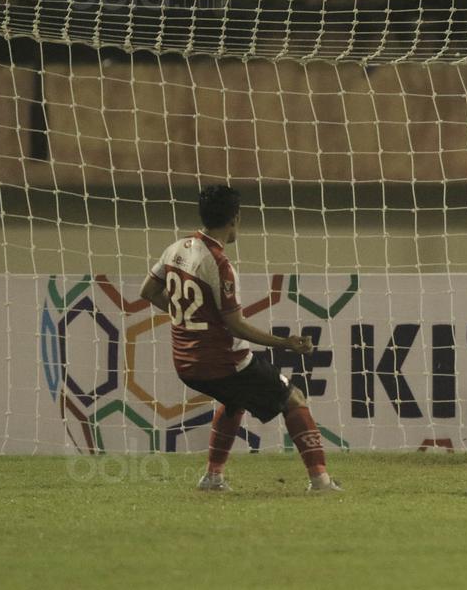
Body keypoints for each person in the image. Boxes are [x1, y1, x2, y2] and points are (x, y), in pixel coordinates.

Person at [139, 185, 341, 491]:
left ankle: (212, 477)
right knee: (293, 399)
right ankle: (321, 480)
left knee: (234, 400)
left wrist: (187, 317)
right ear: (235, 219)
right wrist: (287, 343)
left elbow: (148, 291)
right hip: (221, 363)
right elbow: (236, 327)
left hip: (185, 364)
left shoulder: (176, 249)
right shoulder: (219, 263)